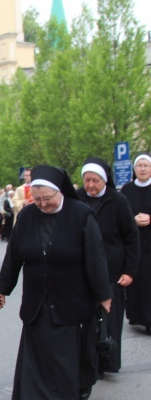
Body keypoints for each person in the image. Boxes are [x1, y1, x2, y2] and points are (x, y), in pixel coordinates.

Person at [0, 165, 112, 400]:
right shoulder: (26, 216)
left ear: (60, 193)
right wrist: (3, 288)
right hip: (37, 297)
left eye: (47, 199)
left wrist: (104, 294)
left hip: (72, 296)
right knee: (40, 354)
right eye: (37, 200)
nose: (43, 204)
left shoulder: (81, 214)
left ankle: (79, 383)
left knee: (68, 353)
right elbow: (13, 255)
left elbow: (96, 258)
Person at [77, 157, 139, 377]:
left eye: (95, 180)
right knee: (84, 319)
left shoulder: (118, 201)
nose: (91, 185)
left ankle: (106, 361)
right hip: (83, 270)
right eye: (87, 180)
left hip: (113, 270)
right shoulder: (77, 199)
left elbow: (131, 238)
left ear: (104, 180)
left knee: (110, 319)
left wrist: (129, 271)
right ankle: (87, 361)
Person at [120, 153, 151, 334]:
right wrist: (133, 220)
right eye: (139, 166)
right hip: (135, 244)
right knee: (139, 283)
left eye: (146, 165)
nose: (142, 169)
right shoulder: (127, 189)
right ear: (134, 169)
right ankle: (141, 317)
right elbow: (121, 215)